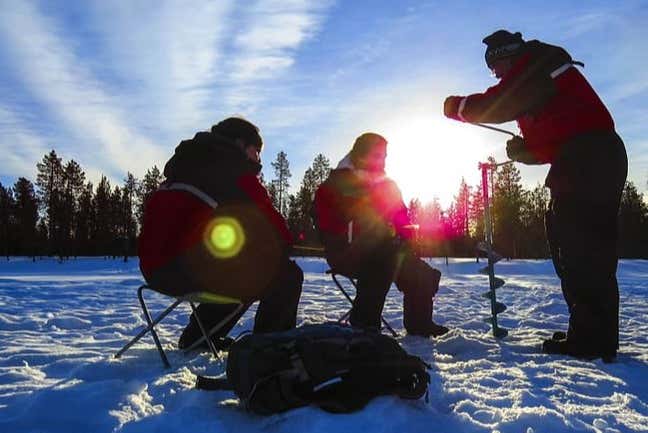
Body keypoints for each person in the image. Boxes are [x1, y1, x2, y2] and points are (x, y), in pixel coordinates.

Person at [443, 30, 627, 360]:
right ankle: (591, 333)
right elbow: (560, 131)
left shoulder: (535, 68)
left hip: (589, 159)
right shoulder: (541, 76)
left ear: (507, 55)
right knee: (577, 245)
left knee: (580, 248)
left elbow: (499, 103)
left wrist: (458, 107)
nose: (496, 74)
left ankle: (590, 340)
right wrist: (526, 150)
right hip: (589, 157)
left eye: (495, 66)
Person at [138, 117, 303, 350]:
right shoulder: (234, 171)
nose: (258, 159)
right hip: (187, 272)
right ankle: (268, 350)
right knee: (286, 275)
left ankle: (199, 337)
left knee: (240, 268)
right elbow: (279, 233)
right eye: (256, 151)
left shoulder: (187, 165)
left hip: (155, 270)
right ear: (240, 145)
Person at [313, 132, 449, 337]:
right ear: (361, 154)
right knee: (382, 261)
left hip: (387, 250)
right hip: (346, 252)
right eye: (378, 155)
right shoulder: (337, 183)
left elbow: (402, 218)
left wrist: (406, 237)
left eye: (384, 156)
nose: (382, 160)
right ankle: (364, 325)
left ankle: (420, 325)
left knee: (421, 273)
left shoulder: (388, 185)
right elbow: (325, 223)